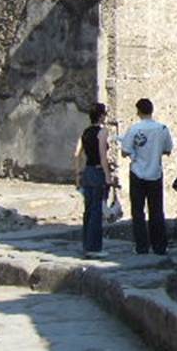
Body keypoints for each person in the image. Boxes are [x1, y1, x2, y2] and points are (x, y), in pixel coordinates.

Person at [119, 98, 174, 255]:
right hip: (155, 173)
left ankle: (141, 246)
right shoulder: (162, 129)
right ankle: (159, 246)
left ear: (138, 111)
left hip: (137, 172)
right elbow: (168, 149)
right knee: (156, 210)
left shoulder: (134, 129)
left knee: (138, 211)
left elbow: (125, 151)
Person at [73, 102, 117, 259]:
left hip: (87, 171)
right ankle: (94, 247)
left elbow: (77, 153)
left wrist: (78, 174)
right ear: (101, 116)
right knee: (97, 211)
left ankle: (86, 244)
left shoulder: (85, 132)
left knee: (88, 210)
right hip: (98, 170)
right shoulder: (102, 132)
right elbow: (102, 156)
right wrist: (107, 175)